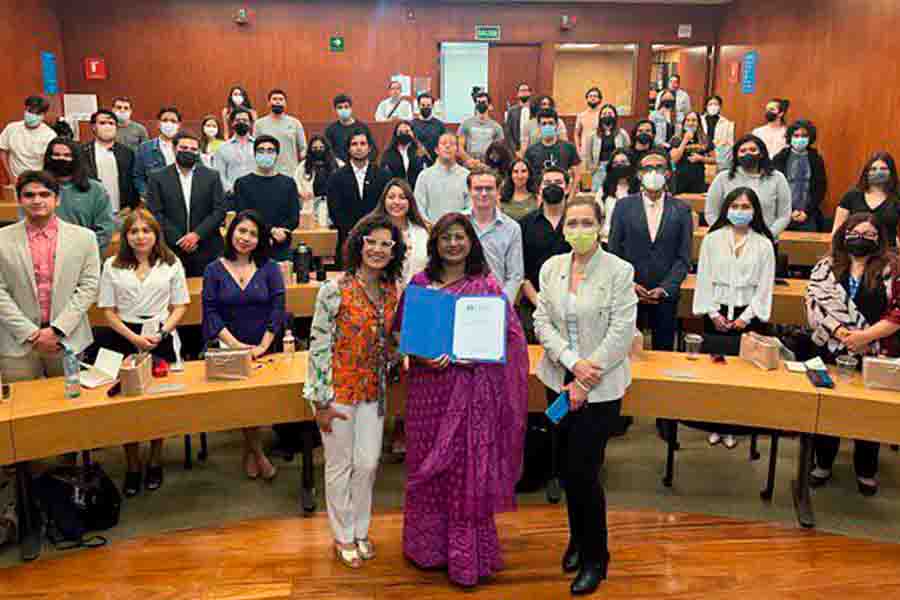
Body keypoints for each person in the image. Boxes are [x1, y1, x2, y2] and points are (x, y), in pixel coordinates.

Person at [393, 212, 528, 587]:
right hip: (427, 392)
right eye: (445, 238)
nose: (453, 244)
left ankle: (466, 554)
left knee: (464, 470)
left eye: (460, 237)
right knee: (427, 467)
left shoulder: (485, 287)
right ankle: (427, 549)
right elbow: (402, 333)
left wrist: (484, 354)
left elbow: (512, 338)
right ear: (435, 244)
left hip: (471, 393)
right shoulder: (421, 284)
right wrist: (418, 355)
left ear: (471, 242)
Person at [534, 197, 637, 595]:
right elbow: (542, 320)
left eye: (586, 222)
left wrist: (584, 377)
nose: (578, 229)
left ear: (600, 225)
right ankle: (577, 540)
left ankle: (597, 557)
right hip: (557, 379)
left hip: (601, 389)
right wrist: (571, 363)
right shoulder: (551, 268)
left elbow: (620, 332)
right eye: (572, 223)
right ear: (564, 229)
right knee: (565, 468)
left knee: (585, 473)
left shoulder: (619, 271)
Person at [305, 214, 404, 567]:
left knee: (367, 464)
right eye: (371, 242)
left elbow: (392, 340)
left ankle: (362, 529)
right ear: (359, 244)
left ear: (394, 252)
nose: (377, 249)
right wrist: (319, 400)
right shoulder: (335, 289)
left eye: (386, 244)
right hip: (338, 391)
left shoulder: (393, 291)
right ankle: (343, 535)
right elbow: (318, 344)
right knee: (339, 465)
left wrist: (404, 351)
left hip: (374, 392)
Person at [806, 213, 900, 496]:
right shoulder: (826, 266)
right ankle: (822, 461)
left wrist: (864, 337)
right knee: (829, 405)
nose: (861, 238)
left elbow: (897, 310)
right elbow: (812, 303)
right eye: (855, 232)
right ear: (844, 234)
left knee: (868, 408)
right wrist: (840, 333)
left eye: (869, 234)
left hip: (875, 348)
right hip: (831, 347)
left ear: (879, 238)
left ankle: (866, 467)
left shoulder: (892, 268)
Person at [97, 208, 189, 496]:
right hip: (125, 337)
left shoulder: (171, 262)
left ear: (156, 234)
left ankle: (155, 459)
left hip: (160, 334)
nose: (140, 236)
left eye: (146, 231)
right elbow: (108, 312)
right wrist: (134, 337)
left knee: (157, 402)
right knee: (128, 406)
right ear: (126, 236)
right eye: (134, 231)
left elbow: (181, 306)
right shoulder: (112, 265)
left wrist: (160, 333)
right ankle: (133, 465)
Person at [202, 210, 284, 479]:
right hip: (229, 346)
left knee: (259, 403)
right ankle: (258, 453)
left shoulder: (270, 268)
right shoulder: (213, 270)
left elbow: (277, 308)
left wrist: (262, 345)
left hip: (265, 346)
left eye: (252, 234)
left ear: (260, 239)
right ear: (230, 232)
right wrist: (237, 346)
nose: (246, 238)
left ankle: (250, 451)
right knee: (244, 402)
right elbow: (211, 312)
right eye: (241, 231)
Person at [693, 187, 776, 448]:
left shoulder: (764, 244)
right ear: (726, 208)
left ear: (755, 211)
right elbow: (703, 278)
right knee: (716, 371)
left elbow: (765, 286)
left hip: (747, 315)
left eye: (745, 207)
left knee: (743, 374)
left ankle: (735, 425)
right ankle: (715, 424)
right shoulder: (712, 239)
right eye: (735, 206)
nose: (740, 211)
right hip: (716, 312)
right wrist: (713, 312)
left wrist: (747, 317)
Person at [0, 170, 100, 383]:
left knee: (69, 406)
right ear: (19, 200)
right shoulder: (2, 239)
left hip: (67, 338)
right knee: (21, 409)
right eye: (29, 195)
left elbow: (89, 287)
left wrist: (58, 329)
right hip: (16, 341)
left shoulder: (84, 238)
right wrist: (30, 333)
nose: (37, 200)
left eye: (44, 194)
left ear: (57, 199)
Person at [609, 149, 692, 352]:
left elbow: (683, 257)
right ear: (639, 174)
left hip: (665, 294)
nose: (653, 172)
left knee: (663, 351)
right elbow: (613, 251)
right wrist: (631, 283)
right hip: (628, 291)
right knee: (624, 351)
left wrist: (665, 288)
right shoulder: (623, 206)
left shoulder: (682, 209)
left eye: (659, 167)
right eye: (648, 168)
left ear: (668, 173)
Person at [146, 131, 227, 277]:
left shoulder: (211, 176)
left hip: (206, 246)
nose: (189, 152)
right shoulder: (157, 177)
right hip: (170, 248)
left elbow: (219, 210)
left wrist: (196, 235)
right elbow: (155, 212)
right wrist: (180, 239)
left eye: (193, 149)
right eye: (184, 148)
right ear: (174, 148)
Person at [519, 167, 572, 343]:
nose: (553, 186)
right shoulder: (524, 225)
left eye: (558, 182)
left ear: (568, 188)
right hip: (534, 303)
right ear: (539, 189)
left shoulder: (578, 222)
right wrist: (539, 303)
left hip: (574, 304)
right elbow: (521, 272)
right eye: (547, 183)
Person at [326, 130, 392, 268]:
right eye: (354, 144)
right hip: (348, 239)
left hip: (377, 240)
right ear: (349, 149)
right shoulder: (336, 177)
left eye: (363, 143)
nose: (359, 147)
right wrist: (355, 232)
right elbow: (334, 210)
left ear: (369, 148)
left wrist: (372, 232)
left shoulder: (383, 175)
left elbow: (386, 208)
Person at [705, 134, 792, 237]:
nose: (748, 153)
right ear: (736, 155)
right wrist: (724, 235)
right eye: (743, 151)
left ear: (761, 153)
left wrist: (767, 236)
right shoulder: (722, 178)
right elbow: (711, 213)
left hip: (765, 241)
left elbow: (784, 215)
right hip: (728, 240)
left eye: (752, 149)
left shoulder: (777, 178)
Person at [232, 135, 300, 261]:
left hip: (280, 244)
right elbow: (242, 215)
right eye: (261, 150)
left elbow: (294, 217)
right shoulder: (242, 183)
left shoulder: (288, 183)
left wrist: (281, 233)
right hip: (251, 244)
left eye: (270, 151)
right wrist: (270, 231)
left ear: (277, 155)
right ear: (254, 154)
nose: (266, 154)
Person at [44, 138, 116, 254]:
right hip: (44, 256)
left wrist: (81, 252)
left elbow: (105, 229)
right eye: (56, 155)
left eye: (67, 155)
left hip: (83, 256)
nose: (61, 159)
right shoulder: (37, 188)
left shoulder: (96, 190)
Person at [463, 167, 524, 301]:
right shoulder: (458, 223)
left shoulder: (512, 228)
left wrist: (503, 304)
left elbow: (515, 275)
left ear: (497, 191)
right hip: (460, 300)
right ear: (469, 191)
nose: (484, 193)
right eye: (478, 188)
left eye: (489, 188)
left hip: (496, 301)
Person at [832, 152, 900, 247]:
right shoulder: (851, 195)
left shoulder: (897, 197)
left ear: (891, 172)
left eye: (883, 169)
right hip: (854, 252)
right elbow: (837, 231)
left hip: (888, 253)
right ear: (866, 172)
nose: (878, 172)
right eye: (873, 169)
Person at [371, 178, 429, 287]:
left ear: (410, 202)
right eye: (391, 197)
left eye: (402, 197)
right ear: (384, 201)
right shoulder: (373, 231)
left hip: (416, 294)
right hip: (381, 293)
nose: (396, 202)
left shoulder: (422, 233)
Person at [773, 119, 827, 232]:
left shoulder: (816, 159)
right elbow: (775, 187)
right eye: (796, 135)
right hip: (783, 212)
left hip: (808, 214)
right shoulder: (780, 158)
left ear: (810, 138)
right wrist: (790, 210)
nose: (800, 139)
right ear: (790, 137)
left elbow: (820, 188)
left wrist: (806, 212)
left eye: (804, 136)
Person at [83, 108, 139, 216]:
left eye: (111, 123)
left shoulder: (127, 153)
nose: (107, 126)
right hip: (92, 213)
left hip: (122, 213)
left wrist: (130, 207)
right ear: (94, 127)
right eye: (102, 123)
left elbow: (133, 182)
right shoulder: (83, 152)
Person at [414, 133, 470, 222]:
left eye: (452, 144)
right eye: (443, 143)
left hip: (458, 229)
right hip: (431, 230)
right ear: (436, 150)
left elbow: (470, 207)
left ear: (457, 150)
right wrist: (429, 226)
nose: (448, 146)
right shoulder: (424, 176)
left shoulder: (466, 175)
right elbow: (419, 207)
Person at [0, 96, 56, 181]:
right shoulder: (11, 128)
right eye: (30, 111)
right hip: (15, 179)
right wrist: (10, 176)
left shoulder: (50, 135)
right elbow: (3, 151)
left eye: (37, 113)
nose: (33, 115)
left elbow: (51, 162)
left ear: (43, 115)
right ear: (25, 110)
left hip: (38, 180)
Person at [254, 88, 307, 176]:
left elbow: (303, 148)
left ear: (285, 104)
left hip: (290, 173)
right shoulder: (259, 124)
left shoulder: (295, 123)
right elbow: (254, 149)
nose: (278, 102)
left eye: (281, 99)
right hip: (266, 173)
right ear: (268, 103)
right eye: (274, 99)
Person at [134, 107, 182, 199]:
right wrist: (147, 194)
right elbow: (138, 176)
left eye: (173, 121)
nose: (169, 124)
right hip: (156, 201)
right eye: (165, 120)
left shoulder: (187, 147)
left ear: (179, 125)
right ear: (158, 124)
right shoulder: (145, 148)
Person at [294, 135, 341, 227]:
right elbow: (295, 182)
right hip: (311, 205)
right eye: (315, 148)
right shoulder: (303, 166)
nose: (318, 150)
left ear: (326, 148)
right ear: (310, 150)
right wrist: (301, 192)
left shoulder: (337, 163)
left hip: (333, 205)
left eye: (321, 147)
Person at [524, 109, 581, 184]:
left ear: (556, 125)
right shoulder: (531, 150)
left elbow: (577, 176)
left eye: (551, 123)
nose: (547, 126)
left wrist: (571, 195)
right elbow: (527, 177)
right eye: (544, 124)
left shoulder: (569, 147)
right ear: (538, 126)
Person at [583, 103, 631, 191]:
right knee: (597, 192)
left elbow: (628, 151)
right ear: (600, 116)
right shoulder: (593, 134)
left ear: (615, 116)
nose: (607, 116)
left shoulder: (622, 133)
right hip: (599, 168)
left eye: (610, 113)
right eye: (604, 114)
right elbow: (588, 154)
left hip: (616, 166)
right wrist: (592, 168)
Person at [597, 150, 639, 244]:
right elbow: (598, 213)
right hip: (608, 240)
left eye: (623, 162)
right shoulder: (604, 189)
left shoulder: (641, 189)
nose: (619, 165)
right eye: (615, 163)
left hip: (634, 241)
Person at [670, 111, 716, 195]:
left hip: (698, 179)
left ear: (698, 123)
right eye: (688, 120)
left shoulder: (705, 139)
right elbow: (674, 159)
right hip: (680, 179)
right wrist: (685, 140)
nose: (691, 123)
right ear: (684, 123)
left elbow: (715, 159)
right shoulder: (676, 139)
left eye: (694, 120)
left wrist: (701, 158)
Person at [214, 108, 256, 194]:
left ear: (251, 124)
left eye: (245, 120)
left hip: (257, 192)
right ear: (232, 123)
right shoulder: (222, 148)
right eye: (237, 120)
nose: (241, 122)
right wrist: (230, 189)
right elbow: (219, 173)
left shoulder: (258, 146)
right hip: (232, 196)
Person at [458, 91, 504, 167]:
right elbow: (460, 147)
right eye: (478, 102)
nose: (481, 104)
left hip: (488, 166)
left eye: (483, 102)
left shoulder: (497, 127)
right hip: (470, 165)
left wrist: (488, 163)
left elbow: (499, 151)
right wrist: (469, 160)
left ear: (489, 105)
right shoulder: (465, 124)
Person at [326, 94, 374, 163]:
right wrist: (337, 162)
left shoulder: (362, 127)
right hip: (339, 167)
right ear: (335, 110)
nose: (343, 109)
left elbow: (373, 149)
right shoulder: (330, 129)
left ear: (351, 108)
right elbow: (328, 151)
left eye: (346, 107)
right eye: (340, 107)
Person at [380, 121, 428, 189]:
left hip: (417, 190)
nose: (404, 134)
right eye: (400, 132)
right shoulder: (388, 153)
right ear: (396, 134)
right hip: (396, 191)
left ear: (413, 133)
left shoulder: (420, 151)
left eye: (407, 131)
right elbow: (384, 175)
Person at [701, 95, 735, 172]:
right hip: (701, 155)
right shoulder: (700, 120)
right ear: (706, 106)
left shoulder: (727, 123)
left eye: (716, 104)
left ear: (720, 106)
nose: (713, 106)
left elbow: (730, 144)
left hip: (718, 158)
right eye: (710, 104)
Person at [410, 93, 446, 162]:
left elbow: (443, 145)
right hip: (415, 163)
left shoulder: (440, 125)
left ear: (432, 106)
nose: (426, 107)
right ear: (418, 106)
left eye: (428, 105)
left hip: (435, 163)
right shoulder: (411, 124)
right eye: (423, 105)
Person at [504, 82, 533, 157]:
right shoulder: (512, 111)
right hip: (516, 151)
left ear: (530, 93)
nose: (524, 93)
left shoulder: (535, 109)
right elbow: (508, 133)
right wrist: (515, 150)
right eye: (521, 91)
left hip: (533, 149)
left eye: (526, 90)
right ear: (517, 94)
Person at [574, 87, 603, 161]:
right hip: (584, 150)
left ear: (599, 99)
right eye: (590, 96)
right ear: (587, 99)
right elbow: (576, 134)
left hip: (600, 149)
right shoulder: (581, 115)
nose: (592, 98)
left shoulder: (603, 114)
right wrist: (578, 149)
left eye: (595, 96)